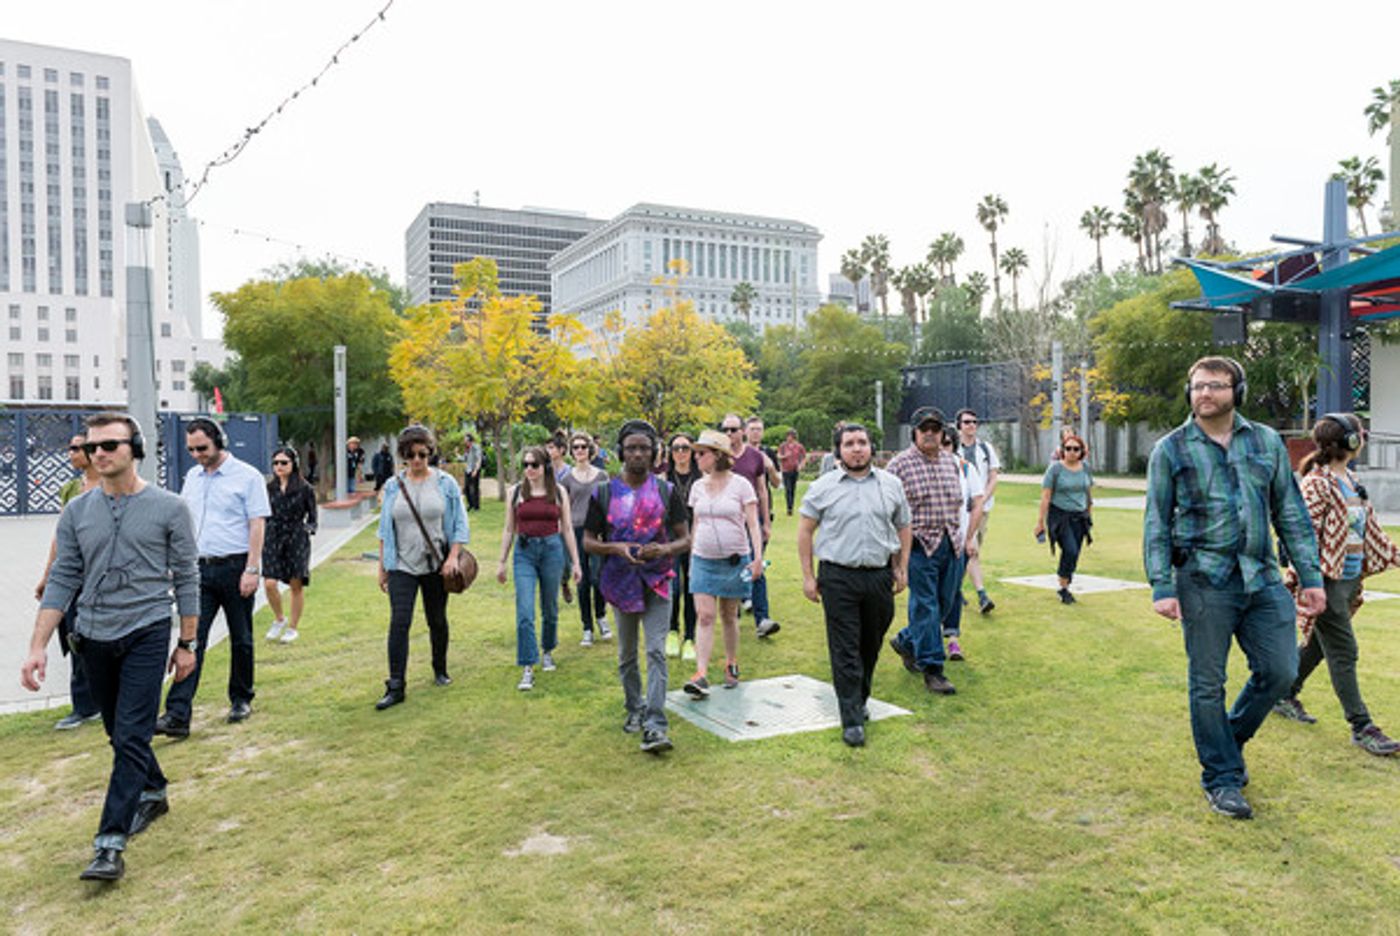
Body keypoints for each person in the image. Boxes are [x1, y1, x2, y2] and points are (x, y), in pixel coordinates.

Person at [1144, 356, 1325, 820]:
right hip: (1202, 580)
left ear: (1237, 391)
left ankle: (1227, 738)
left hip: (1262, 578)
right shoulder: (1171, 449)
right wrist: (1162, 585)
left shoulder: (1264, 441)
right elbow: (1156, 523)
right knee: (1208, 683)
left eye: (1216, 386)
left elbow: (1290, 513)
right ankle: (1222, 777)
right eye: (1197, 386)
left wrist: (1310, 576)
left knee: (1281, 671)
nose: (1204, 394)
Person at [21, 413, 200, 882]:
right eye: (92, 446)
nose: (98, 453)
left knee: (131, 735)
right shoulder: (77, 512)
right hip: (92, 635)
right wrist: (37, 646)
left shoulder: (170, 507)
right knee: (119, 734)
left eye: (109, 445)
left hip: (146, 630)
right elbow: (62, 579)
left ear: (134, 448)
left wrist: (186, 642)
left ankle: (109, 844)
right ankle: (154, 789)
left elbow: (186, 577)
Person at [1273, 413, 1400, 756]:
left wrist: (1395, 555)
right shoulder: (1317, 483)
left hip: (1348, 580)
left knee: (1317, 644)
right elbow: (1302, 534)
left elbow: (1369, 531)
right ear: (1350, 441)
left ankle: (1282, 694)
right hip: (1325, 581)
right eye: (1361, 432)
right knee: (1344, 651)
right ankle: (1362, 727)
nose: (1365, 437)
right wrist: (1307, 579)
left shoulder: (1351, 480)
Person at [797, 422, 912, 746]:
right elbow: (805, 531)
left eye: (862, 442)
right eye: (849, 443)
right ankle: (851, 719)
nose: (857, 448)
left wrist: (902, 566)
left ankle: (859, 698)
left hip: (878, 575)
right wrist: (808, 576)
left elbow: (903, 527)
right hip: (837, 577)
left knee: (870, 644)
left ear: (871, 448)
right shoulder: (823, 486)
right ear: (839, 450)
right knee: (845, 648)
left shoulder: (891, 484)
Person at [156, 418, 271, 737]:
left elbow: (257, 524)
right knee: (191, 640)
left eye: (202, 448)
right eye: (191, 449)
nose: (196, 455)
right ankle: (177, 715)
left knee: (242, 639)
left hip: (236, 568)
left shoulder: (248, 477)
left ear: (220, 440)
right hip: (197, 570)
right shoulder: (192, 477)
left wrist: (252, 568)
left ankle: (241, 698)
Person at [583, 420, 691, 754]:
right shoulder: (603, 493)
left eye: (645, 448)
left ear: (655, 453)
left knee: (656, 651)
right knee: (627, 654)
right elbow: (588, 541)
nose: (638, 454)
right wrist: (615, 548)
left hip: (658, 581)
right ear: (620, 453)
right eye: (631, 448)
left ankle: (656, 724)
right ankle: (635, 708)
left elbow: (686, 538)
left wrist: (665, 549)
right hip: (620, 583)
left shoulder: (666, 492)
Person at [374, 425, 471, 709]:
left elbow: (459, 525)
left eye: (422, 454)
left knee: (436, 619)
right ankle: (396, 685)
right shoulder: (393, 486)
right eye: (410, 455)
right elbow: (384, 529)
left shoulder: (446, 484)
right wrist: (382, 567)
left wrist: (453, 557)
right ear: (403, 456)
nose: (417, 460)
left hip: (436, 564)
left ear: (430, 453)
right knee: (399, 622)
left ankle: (439, 668)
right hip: (402, 564)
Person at [682, 429, 764, 698]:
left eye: (701, 453)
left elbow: (753, 523)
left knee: (729, 615)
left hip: (734, 560)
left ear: (717, 456)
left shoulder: (741, 485)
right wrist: (693, 556)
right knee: (705, 616)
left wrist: (757, 559)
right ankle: (701, 673)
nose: (696, 458)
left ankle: (731, 662)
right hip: (703, 560)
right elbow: (696, 523)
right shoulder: (697, 487)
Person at [886, 407, 963, 695]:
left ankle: (906, 641)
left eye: (935, 428)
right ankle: (933, 669)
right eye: (924, 428)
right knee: (926, 606)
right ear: (914, 432)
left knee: (944, 604)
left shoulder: (951, 461)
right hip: (917, 545)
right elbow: (889, 513)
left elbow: (959, 503)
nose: (930, 433)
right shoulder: (898, 465)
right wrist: (897, 559)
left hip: (951, 542)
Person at [33, 431, 104, 730]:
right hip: (73, 574)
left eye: (76, 448)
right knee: (73, 637)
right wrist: (48, 575)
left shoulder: (110, 484)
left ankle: (105, 698)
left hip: (100, 574)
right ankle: (84, 705)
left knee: (99, 639)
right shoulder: (71, 489)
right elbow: (60, 536)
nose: (71, 454)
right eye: (70, 448)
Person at [497, 446, 583, 691]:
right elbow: (508, 529)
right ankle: (527, 665)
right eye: (525, 465)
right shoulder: (515, 493)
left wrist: (576, 563)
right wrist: (502, 562)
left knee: (550, 608)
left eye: (534, 465)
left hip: (552, 551)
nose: (529, 470)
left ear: (545, 466)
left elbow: (566, 528)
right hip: (524, 553)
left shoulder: (558, 492)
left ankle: (548, 650)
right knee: (524, 612)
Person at [722, 413, 780, 639]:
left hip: (751, 521)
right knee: (731, 567)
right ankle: (732, 612)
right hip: (726, 523)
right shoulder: (719, 456)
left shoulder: (755, 456)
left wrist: (766, 522)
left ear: (742, 431)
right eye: (725, 429)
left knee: (757, 565)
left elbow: (763, 490)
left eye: (734, 429)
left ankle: (762, 619)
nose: (729, 434)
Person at [560, 432, 611, 646]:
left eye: (583, 447)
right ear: (571, 452)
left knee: (598, 578)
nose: (579, 450)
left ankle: (600, 616)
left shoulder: (602, 476)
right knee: (582, 580)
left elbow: (609, 505)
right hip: (576, 531)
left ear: (590, 449)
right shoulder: (566, 479)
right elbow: (563, 509)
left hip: (597, 532)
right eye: (576, 447)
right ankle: (587, 627)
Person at [262, 447, 318, 644]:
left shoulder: (305, 488)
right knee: (269, 583)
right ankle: (279, 618)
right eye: (276, 463)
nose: (279, 466)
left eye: (284, 462)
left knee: (296, 585)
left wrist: (308, 529)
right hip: (272, 536)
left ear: (293, 464)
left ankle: (293, 628)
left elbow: (312, 517)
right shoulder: (268, 488)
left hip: (296, 537)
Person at [938, 426, 984, 663]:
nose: (942, 448)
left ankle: (952, 640)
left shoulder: (966, 469)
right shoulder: (924, 467)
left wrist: (969, 538)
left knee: (952, 592)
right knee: (930, 595)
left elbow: (976, 504)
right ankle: (926, 639)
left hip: (958, 542)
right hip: (929, 544)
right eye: (939, 443)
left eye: (946, 443)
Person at [1034, 432, 1094, 605]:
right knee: (1070, 550)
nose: (1072, 452)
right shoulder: (1055, 469)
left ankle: (1066, 580)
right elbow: (1045, 497)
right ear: (1062, 450)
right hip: (1060, 516)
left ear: (1082, 451)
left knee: (1075, 552)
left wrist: (1089, 512)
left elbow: (1087, 491)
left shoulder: (1086, 468)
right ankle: (1063, 587)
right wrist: (1040, 522)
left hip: (1080, 516)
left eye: (1076, 449)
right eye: (1068, 448)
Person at [956, 408, 1001, 614]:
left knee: (972, 550)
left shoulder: (985, 448)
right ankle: (982, 595)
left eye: (974, 421)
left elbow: (993, 476)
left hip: (981, 509)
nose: (971, 425)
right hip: (958, 510)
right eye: (967, 422)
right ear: (959, 425)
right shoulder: (951, 448)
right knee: (970, 550)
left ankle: (954, 590)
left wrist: (982, 499)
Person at [664, 432, 700, 661]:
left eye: (685, 447)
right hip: (671, 538)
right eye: (676, 448)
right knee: (673, 587)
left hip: (696, 537)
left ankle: (690, 636)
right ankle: (672, 630)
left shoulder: (700, 478)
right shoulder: (663, 478)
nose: (680, 452)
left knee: (692, 587)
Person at [746, 416, 782, 522]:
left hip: (763, 505)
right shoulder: (740, 453)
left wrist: (771, 468)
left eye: (759, 429)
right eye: (752, 429)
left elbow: (777, 484)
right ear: (745, 431)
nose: (756, 432)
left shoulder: (768, 452)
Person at [777, 429, 807, 516]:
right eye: (787, 436)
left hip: (795, 470)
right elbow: (778, 455)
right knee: (788, 489)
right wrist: (784, 456)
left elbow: (804, 457)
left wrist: (801, 465)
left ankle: (791, 507)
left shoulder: (799, 446)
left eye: (790, 436)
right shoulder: (783, 446)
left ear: (794, 437)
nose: (788, 438)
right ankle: (789, 507)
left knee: (793, 489)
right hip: (785, 470)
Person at [462, 434, 483, 511]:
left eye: (466, 440)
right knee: (467, 488)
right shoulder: (467, 449)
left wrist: (475, 470)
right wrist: (456, 454)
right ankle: (470, 504)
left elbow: (479, 459)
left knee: (475, 488)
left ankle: (476, 506)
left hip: (474, 469)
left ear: (470, 440)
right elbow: (464, 459)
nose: (465, 442)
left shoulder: (476, 447)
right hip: (468, 470)